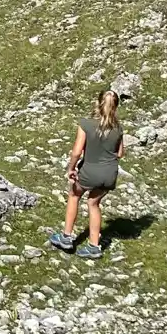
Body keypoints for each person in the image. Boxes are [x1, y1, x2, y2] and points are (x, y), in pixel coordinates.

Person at [50, 91, 125, 259]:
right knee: (93, 203)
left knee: (74, 195)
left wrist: (71, 168)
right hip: (109, 174)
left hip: (90, 171)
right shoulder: (118, 128)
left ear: (98, 103)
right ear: (116, 107)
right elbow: (120, 153)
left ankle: (66, 237)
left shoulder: (86, 124)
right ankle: (93, 246)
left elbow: (77, 151)